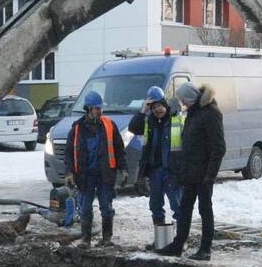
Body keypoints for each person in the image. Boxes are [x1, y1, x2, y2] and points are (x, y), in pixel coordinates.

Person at [158, 82, 225, 261]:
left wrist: (210, 175)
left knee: (205, 210)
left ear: (189, 98)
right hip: (190, 173)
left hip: (203, 175)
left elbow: (218, 148)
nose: (182, 104)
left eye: (183, 100)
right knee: (185, 209)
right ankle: (178, 244)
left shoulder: (211, 114)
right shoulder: (193, 113)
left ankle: (205, 249)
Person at [64, 91, 127, 247]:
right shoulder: (77, 128)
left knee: (106, 207)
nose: (100, 112)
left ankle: (107, 238)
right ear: (88, 109)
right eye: (97, 109)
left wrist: (123, 169)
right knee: (85, 208)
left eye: (100, 109)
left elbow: (119, 149)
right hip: (85, 176)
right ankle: (86, 239)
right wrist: (69, 173)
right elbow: (69, 153)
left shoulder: (109, 125)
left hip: (105, 174)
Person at [128, 86, 182, 237]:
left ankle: (180, 239)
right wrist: (143, 110)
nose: (158, 109)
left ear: (165, 104)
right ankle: (161, 239)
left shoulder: (176, 119)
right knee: (156, 206)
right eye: (154, 107)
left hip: (172, 171)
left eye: (160, 105)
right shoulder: (149, 122)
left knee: (178, 207)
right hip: (155, 171)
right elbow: (133, 127)